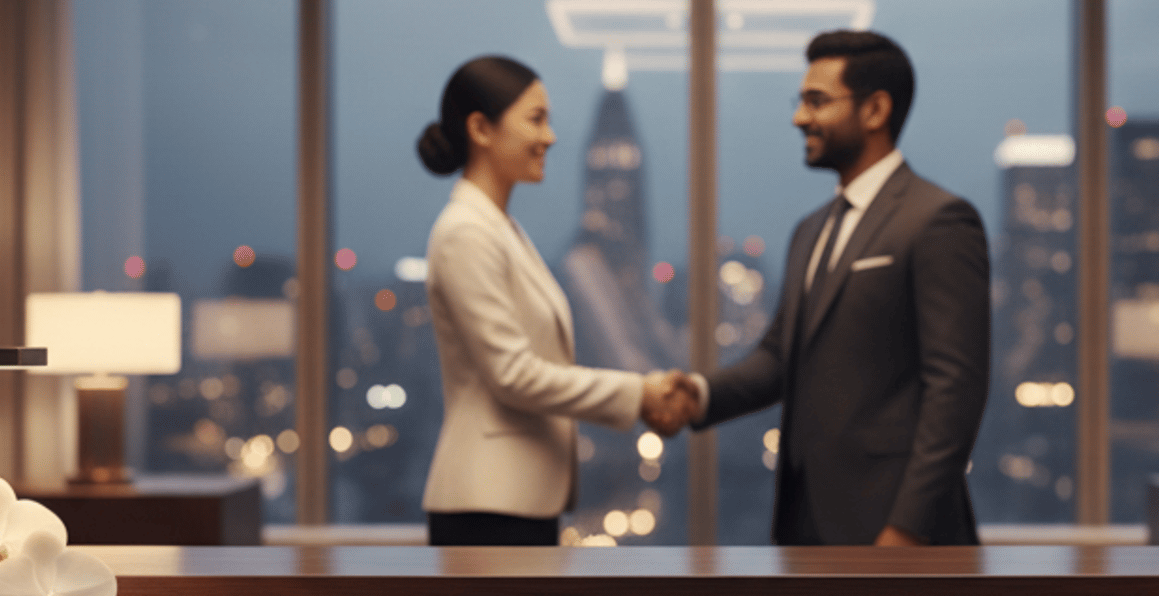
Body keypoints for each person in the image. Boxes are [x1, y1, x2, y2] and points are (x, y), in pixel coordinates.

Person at [685, 30, 989, 545]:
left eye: (817, 101)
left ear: (875, 110)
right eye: (801, 101)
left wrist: (906, 529)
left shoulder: (938, 220)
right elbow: (779, 359)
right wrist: (693, 396)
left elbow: (955, 390)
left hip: (895, 533)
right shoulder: (811, 230)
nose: (799, 118)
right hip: (806, 523)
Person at [416, 56, 694, 546]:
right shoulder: (465, 232)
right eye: (536, 119)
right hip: (487, 504)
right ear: (481, 129)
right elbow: (514, 375)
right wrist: (640, 393)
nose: (551, 137)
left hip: (515, 498)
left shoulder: (502, 230)